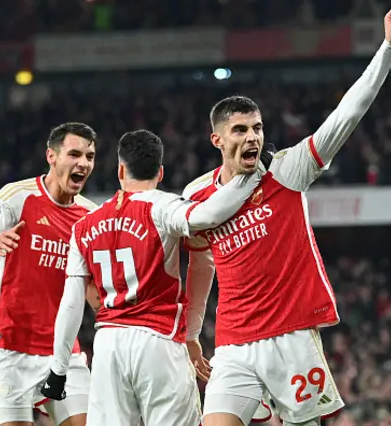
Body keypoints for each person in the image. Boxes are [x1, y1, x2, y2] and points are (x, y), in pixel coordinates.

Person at [182, 7, 391, 426]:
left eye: (257, 128)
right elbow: (201, 262)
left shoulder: (286, 171)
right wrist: (193, 334)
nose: (252, 137)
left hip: (292, 338)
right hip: (234, 344)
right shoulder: (197, 195)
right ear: (217, 139)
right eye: (240, 130)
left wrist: (389, 50)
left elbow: (347, 115)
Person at [41, 129, 263, 426]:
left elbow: (70, 304)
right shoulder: (163, 206)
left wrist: (58, 369)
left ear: (120, 170)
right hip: (158, 339)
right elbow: (209, 216)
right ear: (160, 172)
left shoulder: (84, 225)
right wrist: (252, 174)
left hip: (108, 344)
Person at [0, 122, 100, 426]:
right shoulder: (15, 197)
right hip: (11, 345)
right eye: (74, 154)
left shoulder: (90, 216)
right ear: (51, 156)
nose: (83, 164)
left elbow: (91, 290)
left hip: (63, 352)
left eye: (89, 157)